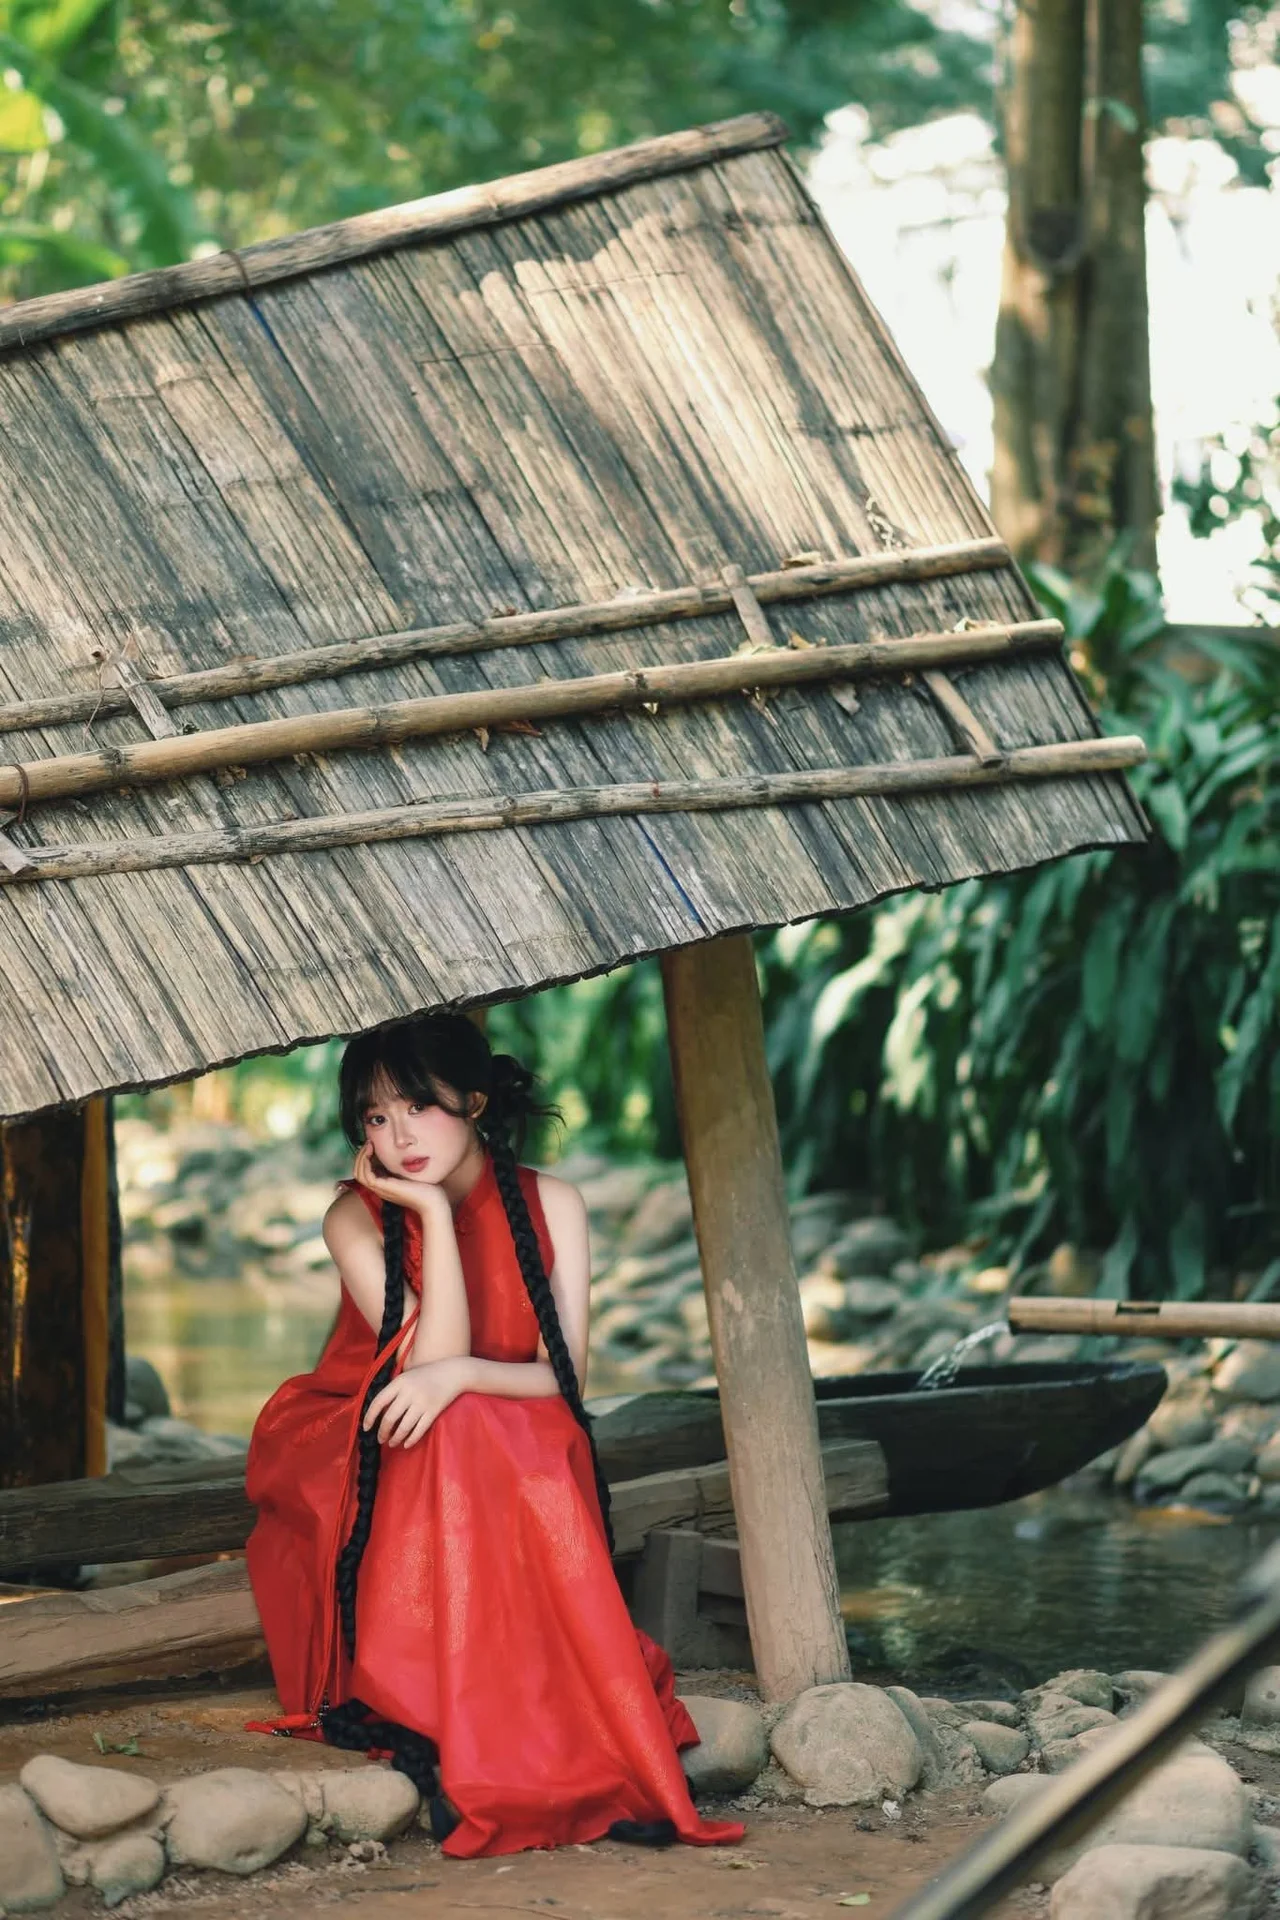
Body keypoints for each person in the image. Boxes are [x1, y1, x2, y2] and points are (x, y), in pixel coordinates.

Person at [243, 1011, 746, 1860]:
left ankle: (506, 1722)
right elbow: (421, 1367)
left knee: (479, 1419)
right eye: (375, 1117)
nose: (399, 1136)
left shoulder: (555, 1204)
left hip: (498, 1423)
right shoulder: (353, 1218)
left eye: (418, 1107)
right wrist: (431, 1217)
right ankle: (454, 1716)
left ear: (474, 1102)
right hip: (369, 1432)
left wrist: (461, 1378)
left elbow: (565, 1380)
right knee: (460, 1423)